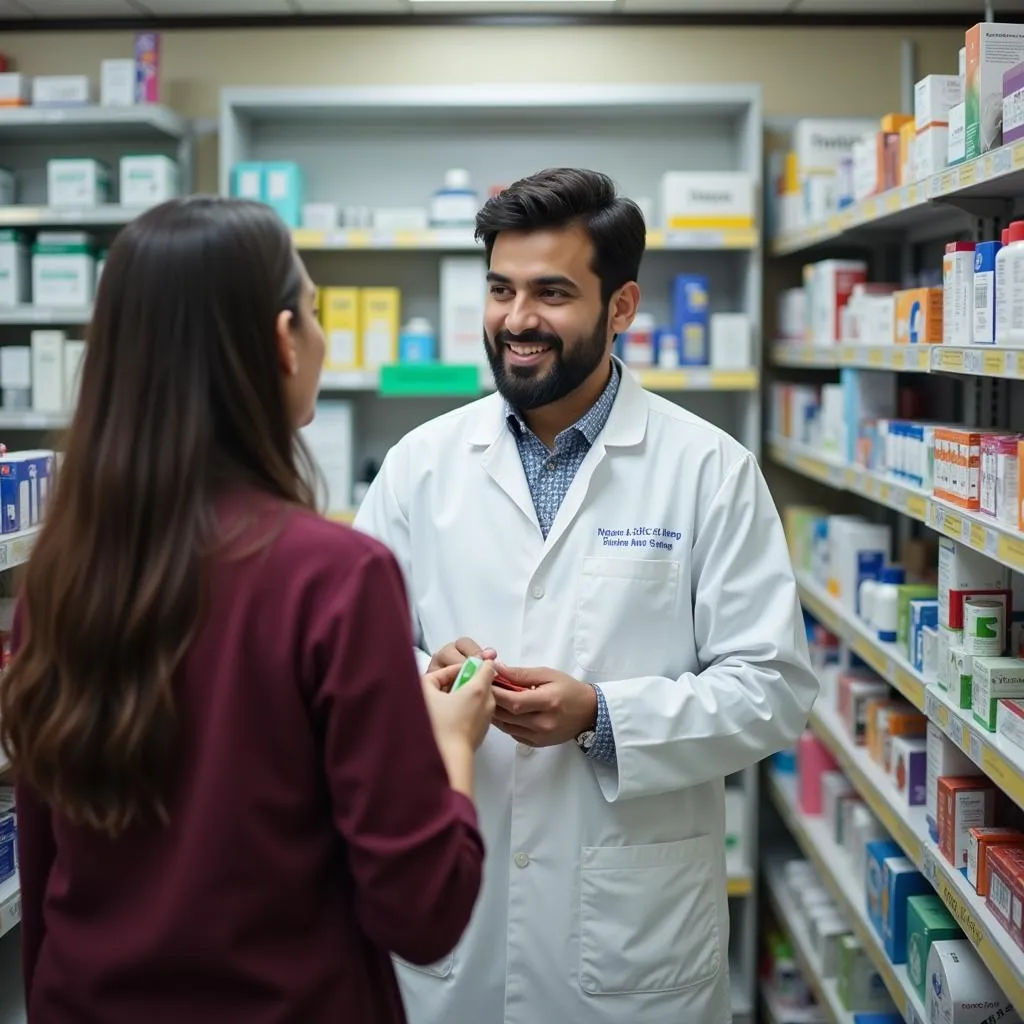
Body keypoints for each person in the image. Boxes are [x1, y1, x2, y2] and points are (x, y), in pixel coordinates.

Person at [0, 195, 495, 1024]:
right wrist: (450, 747)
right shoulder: (337, 578)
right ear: (279, 340)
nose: (320, 333)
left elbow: (47, 870)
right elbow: (424, 911)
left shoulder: (59, 579)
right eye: (311, 308)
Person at [354, 167, 819, 1024]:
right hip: (461, 920)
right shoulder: (420, 465)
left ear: (621, 306)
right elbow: (359, 660)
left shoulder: (709, 472)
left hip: (632, 939)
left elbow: (774, 689)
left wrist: (602, 716)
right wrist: (430, 676)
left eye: (552, 292)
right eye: (501, 289)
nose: (517, 319)